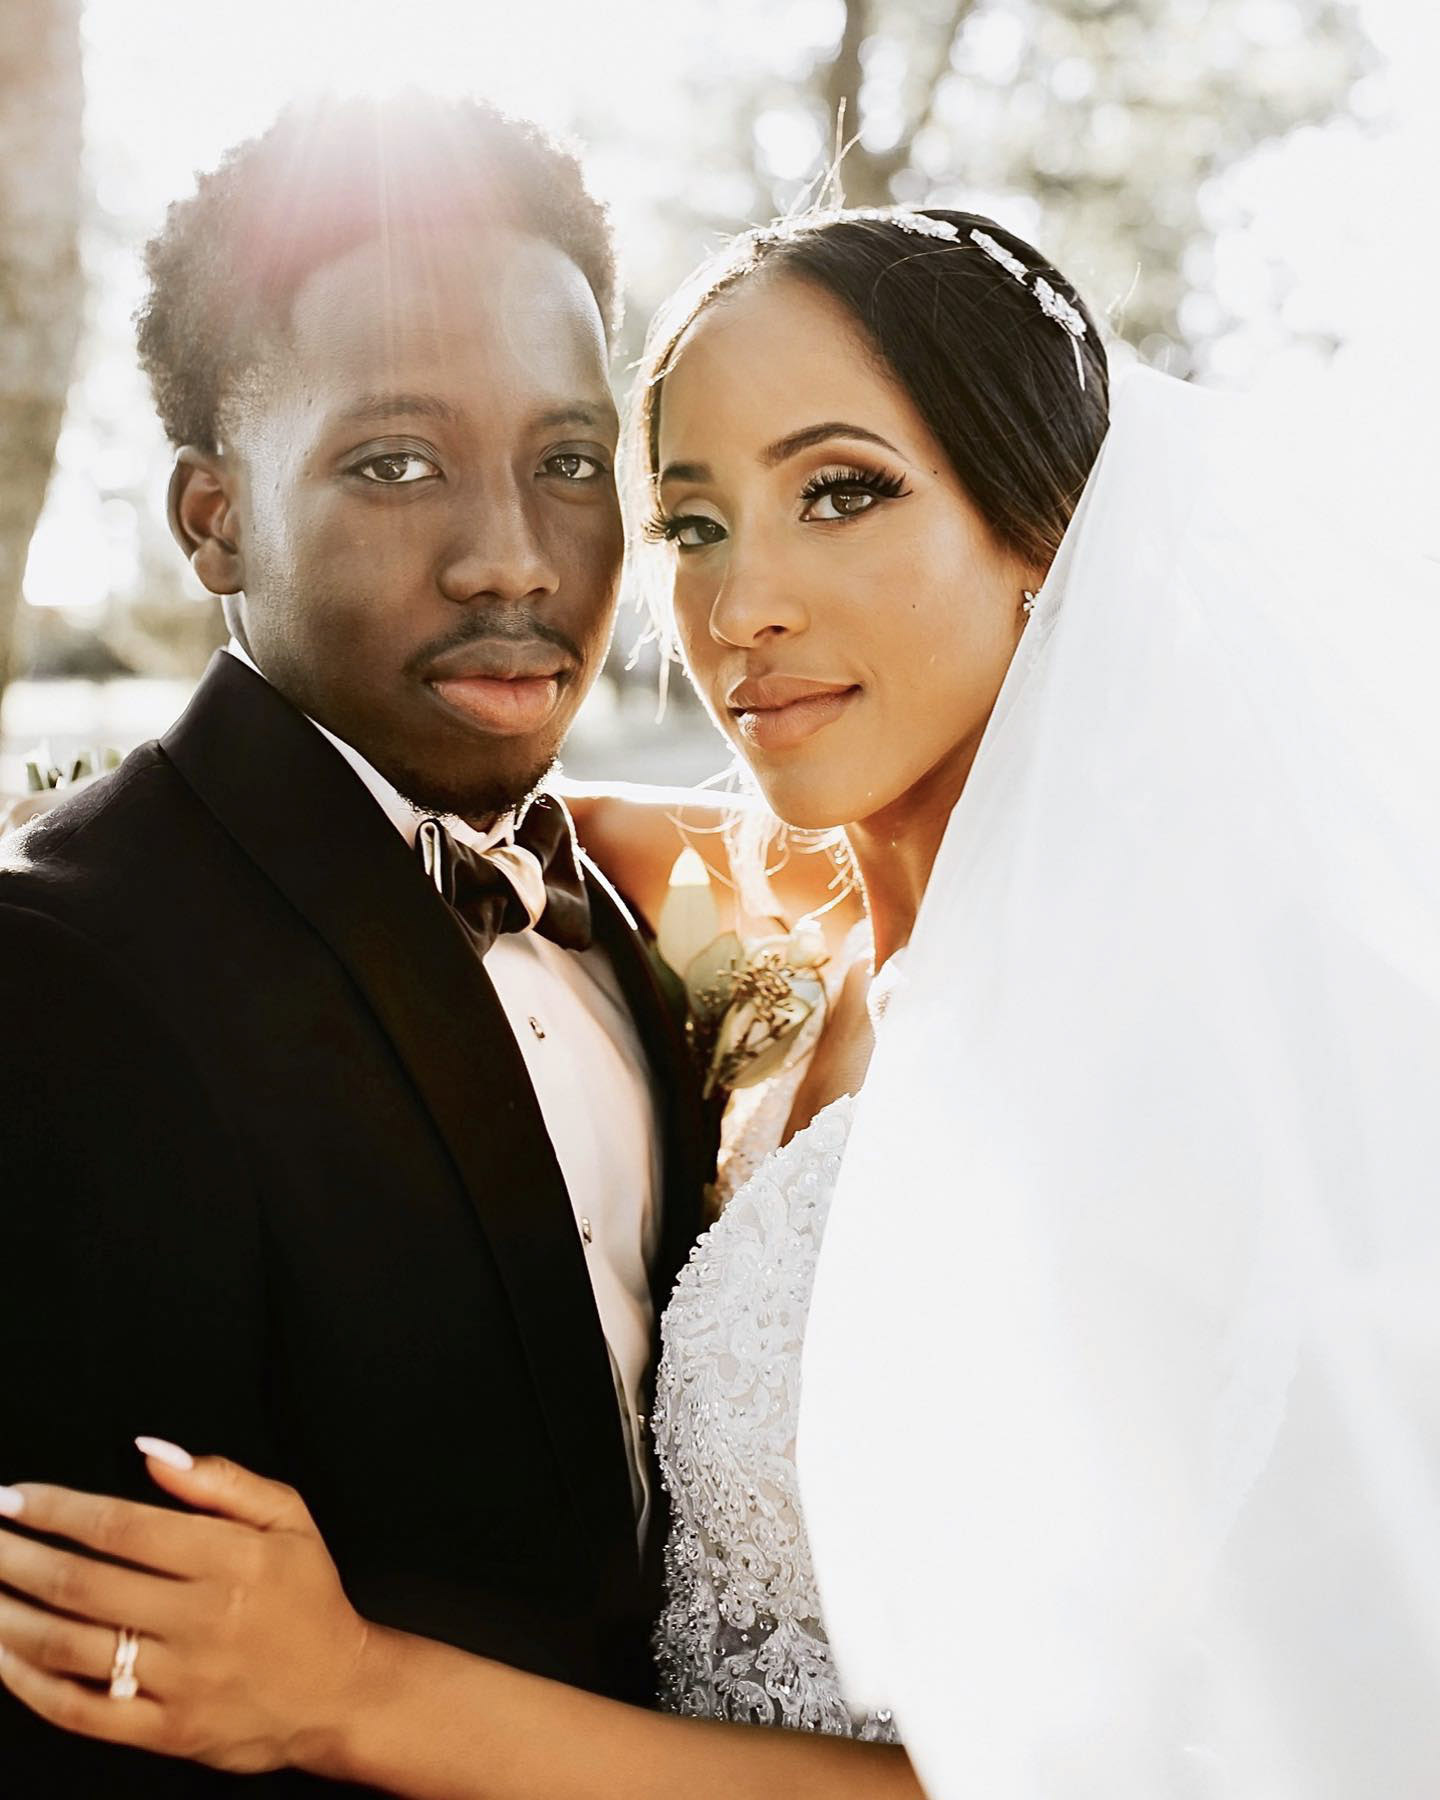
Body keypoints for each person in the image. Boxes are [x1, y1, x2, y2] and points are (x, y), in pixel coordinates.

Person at [8, 197, 1434, 1794]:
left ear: (1055, 530)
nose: (738, 607)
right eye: (690, 522)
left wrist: (358, 1694)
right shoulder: (757, 949)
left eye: (841, 492)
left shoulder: (1182, 1060)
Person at [0, 93, 851, 1795]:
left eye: (568, 462)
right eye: (394, 464)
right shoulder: (58, 977)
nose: (513, 560)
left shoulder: (628, 912)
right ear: (214, 517)